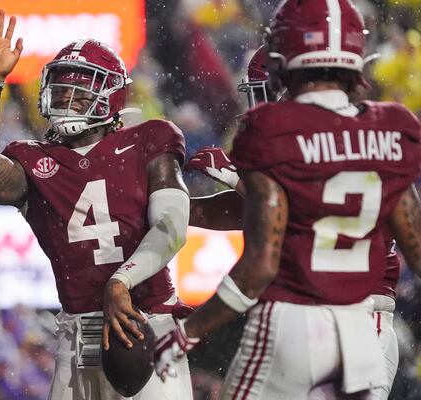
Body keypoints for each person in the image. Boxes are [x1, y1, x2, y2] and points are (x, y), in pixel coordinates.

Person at [155, 0, 421, 398]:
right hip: (368, 332)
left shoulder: (271, 132)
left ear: (285, 65)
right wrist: (187, 208)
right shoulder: (391, 129)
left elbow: (264, 256)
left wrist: (187, 334)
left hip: (295, 320)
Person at [0, 10, 193, 400]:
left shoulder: (151, 139)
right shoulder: (37, 160)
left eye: (80, 89)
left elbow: (171, 228)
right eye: (62, 88)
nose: (67, 97)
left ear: (112, 93)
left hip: (147, 321)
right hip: (77, 330)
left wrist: (124, 279)